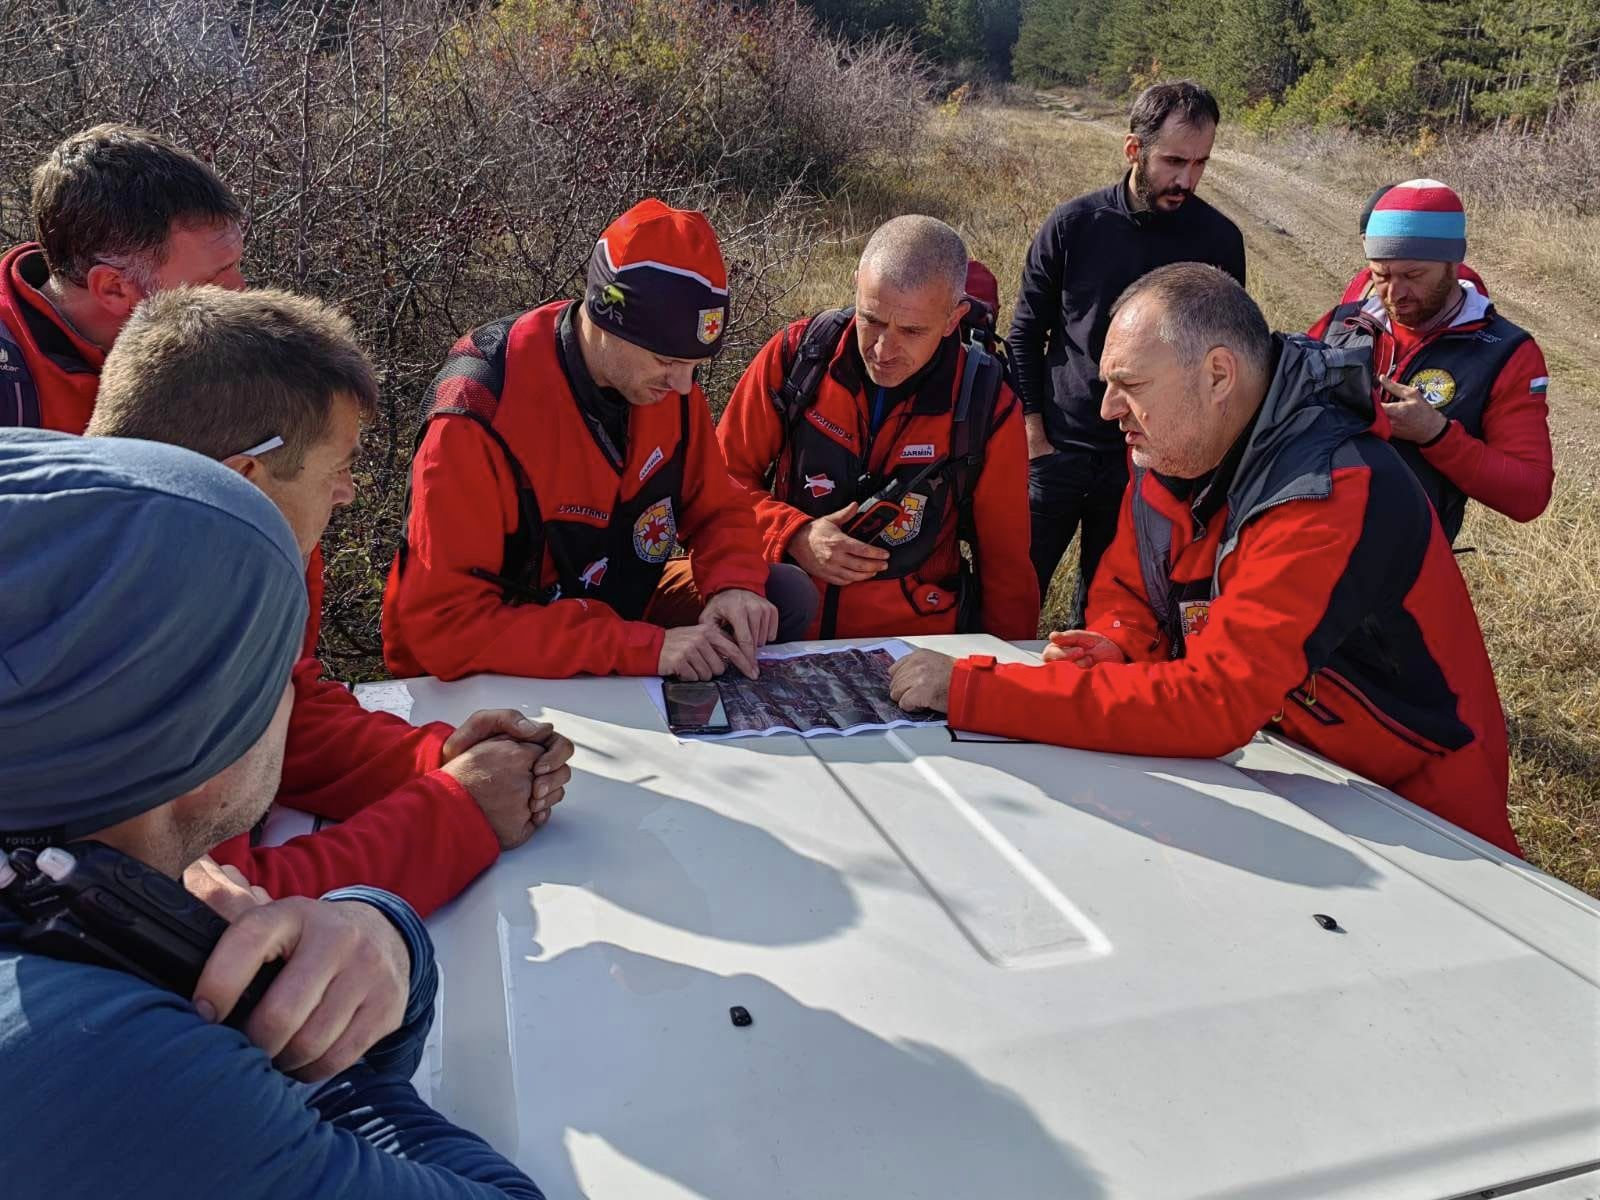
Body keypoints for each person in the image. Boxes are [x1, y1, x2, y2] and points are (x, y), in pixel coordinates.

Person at [0, 429, 543, 1198]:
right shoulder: (121, 1066)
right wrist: (295, 1050)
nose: (300, 695)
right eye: (276, 675)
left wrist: (380, 937)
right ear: (204, 741)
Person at [891, 264, 1518, 856]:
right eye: (1108, 384)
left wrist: (975, 690)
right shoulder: (1176, 445)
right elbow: (1129, 591)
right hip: (1279, 772)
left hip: (1417, 810)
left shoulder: (1329, 489)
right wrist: (1117, 642)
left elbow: (1213, 703)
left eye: (1130, 386)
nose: (1109, 410)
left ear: (1219, 376)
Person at [86, 287, 574, 917]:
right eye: (336, 468)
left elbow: (287, 712)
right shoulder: (124, 645)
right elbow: (221, 920)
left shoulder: (178, 559)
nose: (346, 493)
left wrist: (435, 758)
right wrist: (459, 811)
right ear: (243, 481)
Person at [384, 198, 815, 683]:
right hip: (496, 646)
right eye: (668, 361)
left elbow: (717, 507)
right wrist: (642, 648)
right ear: (608, 317)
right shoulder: (481, 409)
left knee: (779, 598)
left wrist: (734, 584)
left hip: (612, 604)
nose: (684, 386)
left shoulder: (665, 387)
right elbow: (445, 626)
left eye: (696, 365)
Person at [716, 216, 1038, 640]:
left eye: (911, 330)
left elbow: (1006, 566)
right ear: (856, 286)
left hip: (910, 650)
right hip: (781, 633)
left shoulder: (985, 404)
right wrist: (792, 533)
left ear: (952, 319)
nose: (884, 349)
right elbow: (719, 485)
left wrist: (1001, 683)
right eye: (872, 319)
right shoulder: (798, 357)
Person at [1009, 81, 1246, 625]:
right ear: (1133, 149)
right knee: (1014, 590)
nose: (1186, 180)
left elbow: (1226, 358)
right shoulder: (1073, 226)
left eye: (1201, 163)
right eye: (1173, 161)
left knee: (1110, 612)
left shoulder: (1219, 241)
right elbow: (1025, 334)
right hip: (1060, 448)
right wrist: (1033, 433)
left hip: (1149, 463)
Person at [1310, 179, 1552, 542]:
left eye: (1413, 275)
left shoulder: (1506, 353)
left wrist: (1435, 435)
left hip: (1407, 571)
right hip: (1306, 545)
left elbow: (1529, 495)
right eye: (1381, 275)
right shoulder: (1341, 323)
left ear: (1453, 263)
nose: (1395, 294)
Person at [0, 124, 245, 433]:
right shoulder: (13, 397)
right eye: (213, 279)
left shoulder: (198, 344)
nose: (240, 289)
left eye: (235, 264)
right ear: (113, 289)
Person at [1338, 182, 1489, 304]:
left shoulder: (1461, 286)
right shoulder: (1363, 280)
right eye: (1364, 239)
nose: (1393, 296)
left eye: (1412, 275)